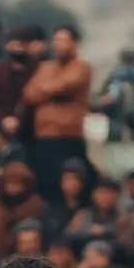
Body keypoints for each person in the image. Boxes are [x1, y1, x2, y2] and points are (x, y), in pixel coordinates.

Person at [18, 25, 93, 195]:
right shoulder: (45, 66)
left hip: (68, 137)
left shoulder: (82, 67)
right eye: (56, 40)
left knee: (71, 186)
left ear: (75, 44)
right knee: (45, 185)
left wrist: (44, 91)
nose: (58, 45)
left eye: (63, 40)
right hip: (43, 137)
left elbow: (66, 85)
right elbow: (28, 94)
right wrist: (50, 91)